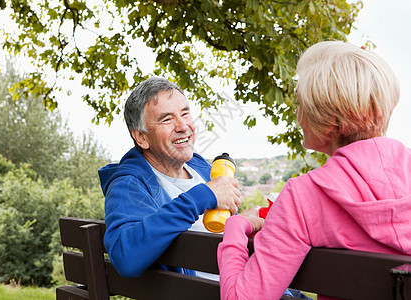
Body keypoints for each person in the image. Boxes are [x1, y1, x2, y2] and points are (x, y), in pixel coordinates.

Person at [217, 41, 411, 300]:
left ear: (329, 121)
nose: (298, 114)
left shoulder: (303, 196)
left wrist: (234, 226)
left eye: (301, 104)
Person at [98, 77, 241, 278]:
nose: (183, 126)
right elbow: (125, 257)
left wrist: (245, 223)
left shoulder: (202, 169)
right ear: (141, 137)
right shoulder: (129, 185)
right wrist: (201, 197)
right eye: (167, 119)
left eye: (185, 113)